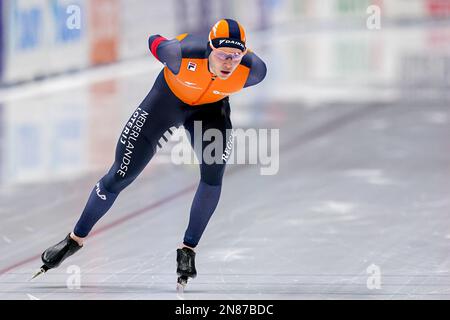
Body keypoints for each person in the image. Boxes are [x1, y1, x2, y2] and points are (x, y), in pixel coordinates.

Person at [33, 19, 267, 289]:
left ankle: (188, 249)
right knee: (120, 174)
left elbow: (228, 76)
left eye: (236, 56)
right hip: (165, 103)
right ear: (209, 48)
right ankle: (74, 239)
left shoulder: (254, 71)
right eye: (223, 55)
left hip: (210, 111)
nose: (228, 63)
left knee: (213, 175)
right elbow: (153, 39)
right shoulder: (179, 53)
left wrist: (216, 90)